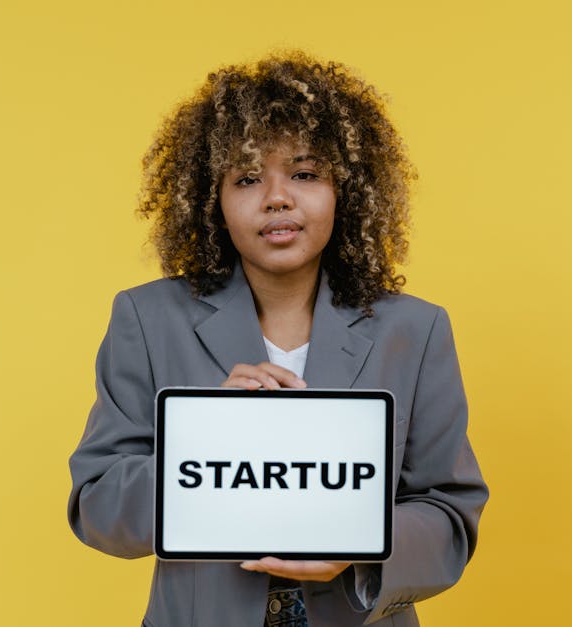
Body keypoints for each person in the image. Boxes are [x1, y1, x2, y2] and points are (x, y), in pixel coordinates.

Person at [67, 50, 489, 627]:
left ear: (349, 191)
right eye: (246, 178)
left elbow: (449, 514)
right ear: (210, 200)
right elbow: (96, 506)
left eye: (305, 173)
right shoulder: (147, 318)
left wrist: (359, 548)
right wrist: (205, 443)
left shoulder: (414, 331)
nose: (277, 198)